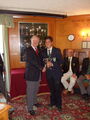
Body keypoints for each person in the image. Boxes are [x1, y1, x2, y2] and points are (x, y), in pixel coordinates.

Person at [42, 36, 63, 111]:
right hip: (49, 74)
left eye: (48, 42)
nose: (47, 43)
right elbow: (43, 61)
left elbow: (61, 62)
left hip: (56, 73)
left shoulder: (57, 50)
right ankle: (52, 103)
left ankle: (59, 105)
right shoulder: (43, 51)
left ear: (51, 42)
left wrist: (52, 64)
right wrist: (44, 67)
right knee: (51, 89)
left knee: (57, 89)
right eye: (46, 42)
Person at [25, 35, 44, 115]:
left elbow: (40, 60)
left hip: (37, 74)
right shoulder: (28, 50)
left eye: (37, 40)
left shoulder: (38, 49)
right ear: (31, 41)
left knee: (36, 90)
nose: (36, 42)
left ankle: (35, 102)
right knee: (30, 91)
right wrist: (41, 68)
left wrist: (44, 65)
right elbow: (32, 61)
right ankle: (30, 108)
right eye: (34, 40)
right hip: (31, 75)